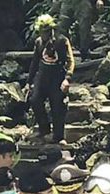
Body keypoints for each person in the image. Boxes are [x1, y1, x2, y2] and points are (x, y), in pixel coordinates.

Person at [28, 14, 75, 144]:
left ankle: (58, 136)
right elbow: (34, 62)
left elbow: (70, 61)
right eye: (42, 32)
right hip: (42, 76)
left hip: (57, 77)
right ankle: (44, 130)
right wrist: (29, 82)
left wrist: (67, 79)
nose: (44, 34)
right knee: (35, 100)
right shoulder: (38, 42)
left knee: (57, 105)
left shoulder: (62, 41)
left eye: (47, 31)